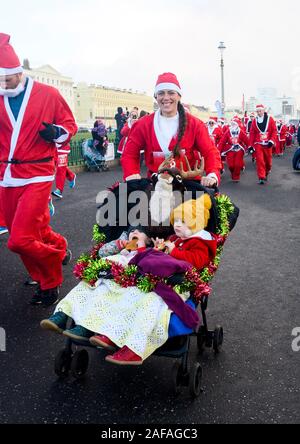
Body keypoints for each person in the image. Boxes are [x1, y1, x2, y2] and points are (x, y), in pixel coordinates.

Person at [40, 195, 216, 365]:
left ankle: (129, 344)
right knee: (111, 290)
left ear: (196, 224)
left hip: (174, 282)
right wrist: (158, 249)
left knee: (144, 302)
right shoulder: (176, 239)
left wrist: (170, 251)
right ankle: (80, 320)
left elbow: (196, 261)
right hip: (150, 275)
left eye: (183, 222)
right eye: (176, 221)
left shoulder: (199, 243)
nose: (177, 225)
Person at [0, 34, 77, 305]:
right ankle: (55, 257)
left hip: (38, 174)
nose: (2, 85)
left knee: (19, 239)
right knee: (35, 232)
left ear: (18, 72)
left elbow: (69, 126)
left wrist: (56, 132)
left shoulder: (48, 94)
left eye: (5, 79)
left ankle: (53, 273)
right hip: (7, 177)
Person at [121, 72, 222, 187]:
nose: (166, 97)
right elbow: (129, 153)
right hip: (156, 185)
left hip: (188, 185)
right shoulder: (142, 124)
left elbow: (209, 152)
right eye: (161, 93)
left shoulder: (195, 124)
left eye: (171, 93)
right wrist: (131, 173)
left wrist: (212, 175)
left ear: (179, 96)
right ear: (156, 97)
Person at [249, 104, 277, 185]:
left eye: (260, 111)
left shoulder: (270, 119)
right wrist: (251, 145)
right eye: (257, 111)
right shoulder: (255, 120)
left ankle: (266, 172)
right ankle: (261, 177)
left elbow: (274, 131)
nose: (258, 112)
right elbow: (252, 133)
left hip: (268, 144)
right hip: (259, 144)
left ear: (264, 110)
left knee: (268, 162)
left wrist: (271, 141)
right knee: (260, 160)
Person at [218, 118, 249, 182]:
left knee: (237, 164)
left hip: (239, 149)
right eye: (232, 124)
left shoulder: (240, 131)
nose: (233, 125)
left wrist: (250, 147)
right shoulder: (228, 131)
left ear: (237, 124)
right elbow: (222, 142)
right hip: (230, 149)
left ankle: (236, 177)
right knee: (231, 165)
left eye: (234, 124)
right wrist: (218, 150)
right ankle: (233, 173)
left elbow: (246, 140)